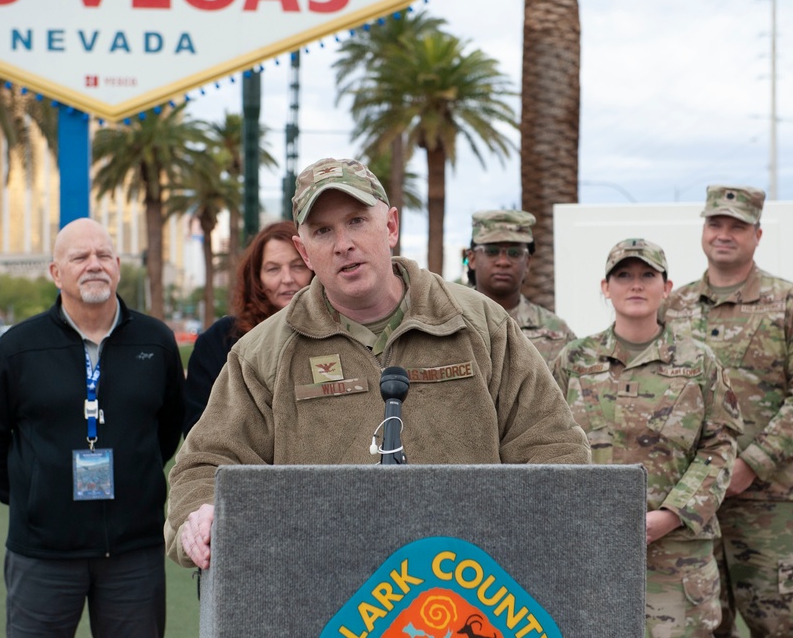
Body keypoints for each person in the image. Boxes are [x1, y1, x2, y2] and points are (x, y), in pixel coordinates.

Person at [165, 157, 591, 570]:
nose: (343, 244)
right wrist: (200, 514)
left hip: (466, 591)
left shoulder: (479, 325)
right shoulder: (263, 353)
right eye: (322, 230)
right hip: (325, 595)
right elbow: (205, 463)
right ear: (305, 250)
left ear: (390, 226)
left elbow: (553, 445)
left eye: (356, 221)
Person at [0, 218, 185, 637]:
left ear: (118, 266)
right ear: (55, 272)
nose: (94, 265)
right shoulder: (17, 348)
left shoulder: (155, 342)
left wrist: (136, 475)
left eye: (103, 255)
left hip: (133, 551)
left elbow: (168, 426)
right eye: (79, 257)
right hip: (43, 553)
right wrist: (31, 494)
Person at [664, 185, 793, 637]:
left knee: (780, 625)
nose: (724, 234)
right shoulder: (673, 308)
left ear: (757, 234)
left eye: (736, 226)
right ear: (703, 230)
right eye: (715, 224)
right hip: (696, 506)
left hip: (771, 505)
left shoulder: (792, 304)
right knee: (700, 627)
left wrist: (751, 464)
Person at [552, 238, 742, 637]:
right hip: (590, 548)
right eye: (623, 276)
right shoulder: (574, 360)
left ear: (666, 288)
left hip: (677, 558)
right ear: (606, 288)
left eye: (647, 275)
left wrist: (671, 516)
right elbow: (548, 440)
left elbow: (719, 448)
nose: (635, 285)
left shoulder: (699, 362)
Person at [183, 221, 314, 435]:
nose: (287, 279)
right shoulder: (220, 341)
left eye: (298, 266)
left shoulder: (336, 331)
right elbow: (198, 431)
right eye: (273, 269)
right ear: (257, 279)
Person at [467, 209, 576, 365]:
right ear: (472, 259)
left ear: (528, 262)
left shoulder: (556, 332)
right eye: (491, 251)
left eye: (514, 253)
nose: (503, 261)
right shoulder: (450, 321)